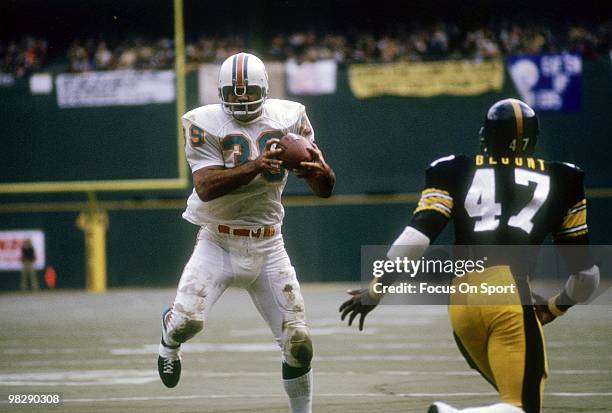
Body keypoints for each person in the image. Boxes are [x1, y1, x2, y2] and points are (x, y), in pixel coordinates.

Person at [339, 98, 599, 413]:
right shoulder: (565, 179)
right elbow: (586, 276)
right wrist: (554, 309)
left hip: (462, 299)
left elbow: (417, 237)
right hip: (508, 292)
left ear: (486, 136)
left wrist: (377, 288)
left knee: (509, 403)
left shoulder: (454, 169)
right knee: (523, 407)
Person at [157, 52, 335, 413]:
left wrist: (323, 171)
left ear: (264, 89)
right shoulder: (202, 121)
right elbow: (205, 186)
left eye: (247, 90)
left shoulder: (290, 117)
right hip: (218, 240)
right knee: (187, 324)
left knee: (299, 341)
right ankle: (168, 339)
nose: (239, 98)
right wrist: (256, 166)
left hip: (269, 243)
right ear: (221, 92)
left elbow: (324, 189)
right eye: (232, 92)